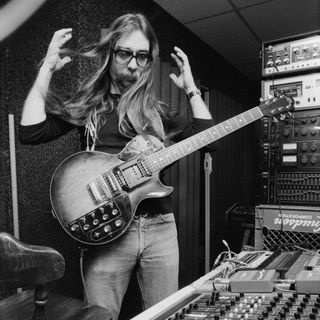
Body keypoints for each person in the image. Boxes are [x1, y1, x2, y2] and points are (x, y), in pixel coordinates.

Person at [19, 13, 215, 320]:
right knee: (101, 315)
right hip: (106, 227)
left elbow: (209, 139)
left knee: (163, 314)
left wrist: (191, 88)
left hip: (160, 227)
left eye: (142, 56)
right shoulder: (90, 106)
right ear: (111, 52)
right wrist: (46, 69)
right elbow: (30, 132)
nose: (133, 64)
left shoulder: (157, 111)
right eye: (125, 53)